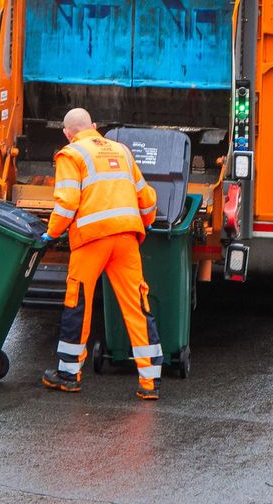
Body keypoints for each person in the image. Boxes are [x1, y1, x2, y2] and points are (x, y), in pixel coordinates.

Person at [41, 108, 163, 400]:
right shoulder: (121, 150)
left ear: (67, 133)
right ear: (95, 127)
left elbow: (68, 201)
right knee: (137, 305)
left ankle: (69, 375)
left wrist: (51, 233)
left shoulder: (71, 155)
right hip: (126, 239)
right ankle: (151, 383)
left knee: (78, 303)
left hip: (91, 241)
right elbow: (146, 198)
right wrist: (140, 224)